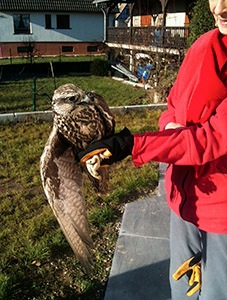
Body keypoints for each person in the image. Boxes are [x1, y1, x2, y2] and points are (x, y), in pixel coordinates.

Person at [75, 1, 227, 299]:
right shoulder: (204, 46)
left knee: (215, 293)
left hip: (222, 216)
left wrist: (132, 145)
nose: (220, 9)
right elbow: (172, 106)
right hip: (184, 199)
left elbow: (209, 140)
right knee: (182, 289)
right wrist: (170, 129)